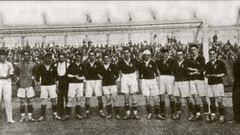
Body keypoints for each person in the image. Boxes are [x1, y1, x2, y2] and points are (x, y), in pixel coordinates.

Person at [187, 44, 209, 121]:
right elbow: (188, 70)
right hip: (192, 80)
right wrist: (195, 70)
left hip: (200, 80)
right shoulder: (189, 59)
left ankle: (207, 114)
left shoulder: (201, 58)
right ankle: (198, 114)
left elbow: (201, 70)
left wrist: (193, 71)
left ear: (197, 50)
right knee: (195, 97)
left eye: (194, 49)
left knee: (203, 97)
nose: (193, 51)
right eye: (191, 50)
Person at [36, 53, 61, 121]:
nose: (48, 60)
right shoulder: (41, 67)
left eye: (50, 58)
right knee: (44, 100)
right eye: (47, 58)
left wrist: (57, 86)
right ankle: (42, 116)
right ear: (44, 59)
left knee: (53, 100)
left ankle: (55, 114)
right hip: (44, 85)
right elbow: (37, 76)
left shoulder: (53, 67)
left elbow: (56, 77)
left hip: (52, 85)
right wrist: (38, 83)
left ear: (51, 59)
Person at [139, 49, 163, 119]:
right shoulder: (141, 64)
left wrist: (158, 83)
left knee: (156, 98)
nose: (146, 57)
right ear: (143, 56)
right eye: (145, 55)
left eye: (148, 55)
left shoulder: (153, 63)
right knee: (147, 99)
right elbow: (140, 76)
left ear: (150, 56)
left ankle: (158, 114)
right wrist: (140, 85)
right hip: (145, 81)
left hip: (153, 80)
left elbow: (157, 74)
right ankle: (149, 113)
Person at [15, 50, 37, 122]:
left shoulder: (33, 64)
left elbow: (35, 74)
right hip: (21, 85)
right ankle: (23, 117)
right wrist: (18, 82)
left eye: (27, 55)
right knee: (22, 102)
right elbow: (16, 75)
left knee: (30, 101)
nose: (26, 56)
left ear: (29, 56)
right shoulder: (18, 65)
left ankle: (30, 116)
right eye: (24, 55)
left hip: (29, 85)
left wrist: (33, 81)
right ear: (22, 56)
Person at [118, 47, 140, 119]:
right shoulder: (120, 62)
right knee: (126, 97)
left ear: (130, 53)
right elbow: (118, 70)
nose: (126, 54)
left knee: (134, 96)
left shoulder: (134, 61)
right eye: (125, 53)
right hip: (124, 77)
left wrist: (137, 76)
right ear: (123, 54)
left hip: (132, 77)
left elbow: (139, 68)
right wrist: (121, 75)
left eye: (127, 53)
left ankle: (135, 113)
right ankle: (127, 113)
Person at [205, 49, 226, 123]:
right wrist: (209, 75)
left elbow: (224, 73)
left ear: (216, 54)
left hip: (218, 84)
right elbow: (206, 74)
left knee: (219, 101)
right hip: (210, 84)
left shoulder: (220, 63)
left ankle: (222, 116)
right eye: (210, 54)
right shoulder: (207, 64)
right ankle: (213, 115)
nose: (212, 55)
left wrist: (216, 75)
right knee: (212, 101)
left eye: (213, 54)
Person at [83, 50, 106, 118]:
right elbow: (84, 73)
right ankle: (87, 112)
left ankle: (101, 112)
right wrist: (85, 79)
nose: (91, 56)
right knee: (87, 97)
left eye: (93, 55)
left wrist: (101, 76)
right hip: (89, 81)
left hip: (97, 81)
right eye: (90, 55)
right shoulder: (86, 64)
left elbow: (103, 72)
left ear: (95, 56)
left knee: (99, 96)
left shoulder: (98, 64)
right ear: (88, 56)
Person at [62, 52, 85, 120]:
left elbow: (84, 76)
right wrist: (74, 76)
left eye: (79, 57)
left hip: (80, 84)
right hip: (72, 84)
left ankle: (77, 114)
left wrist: (79, 78)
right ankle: (67, 115)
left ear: (81, 58)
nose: (78, 58)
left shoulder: (83, 66)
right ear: (75, 58)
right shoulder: (71, 65)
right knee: (70, 99)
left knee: (79, 99)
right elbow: (67, 74)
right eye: (77, 57)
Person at [172, 49, 194, 120]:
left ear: (183, 55)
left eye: (181, 55)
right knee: (177, 98)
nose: (179, 56)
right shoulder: (175, 62)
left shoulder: (187, 62)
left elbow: (190, 71)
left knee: (187, 98)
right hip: (177, 81)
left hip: (185, 82)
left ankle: (192, 114)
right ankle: (178, 114)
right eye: (178, 55)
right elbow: (173, 72)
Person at [99, 52, 120, 119]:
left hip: (113, 84)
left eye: (107, 58)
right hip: (105, 85)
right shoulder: (101, 67)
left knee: (114, 98)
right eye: (105, 58)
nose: (106, 59)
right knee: (108, 99)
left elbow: (117, 75)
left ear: (109, 59)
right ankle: (110, 114)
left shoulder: (113, 66)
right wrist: (100, 77)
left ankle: (117, 114)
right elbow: (98, 74)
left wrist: (113, 79)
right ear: (103, 59)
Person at [156, 48, 175, 119]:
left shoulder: (172, 61)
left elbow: (171, 70)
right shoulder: (158, 61)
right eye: (163, 54)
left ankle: (173, 113)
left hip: (169, 78)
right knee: (162, 95)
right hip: (161, 78)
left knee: (171, 95)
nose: (165, 55)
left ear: (168, 54)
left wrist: (165, 68)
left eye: (166, 54)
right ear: (161, 54)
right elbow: (158, 70)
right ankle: (163, 113)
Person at [0, 49, 15, 124]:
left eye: (5, 55)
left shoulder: (9, 64)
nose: (3, 56)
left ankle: (9, 118)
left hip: (7, 82)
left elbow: (11, 73)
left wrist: (6, 77)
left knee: (8, 100)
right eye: (2, 55)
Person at [55, 53, 69, 118]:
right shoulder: (56, 64)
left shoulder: (67, 64)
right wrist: (56, 86)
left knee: (67, 97)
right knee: (60, 98)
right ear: (58, 58)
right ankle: (60, 113)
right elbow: (56, 76)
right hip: (59, 82)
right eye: (60, 58)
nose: (61, 59)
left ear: (64, 58)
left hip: (66, 82)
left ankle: (67, 113)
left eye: (62, 58)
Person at [233, 53, 240, 123]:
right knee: (236, 101)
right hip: (238, 84)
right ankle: (237, 118)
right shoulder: (237, 62)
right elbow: (236, 73)